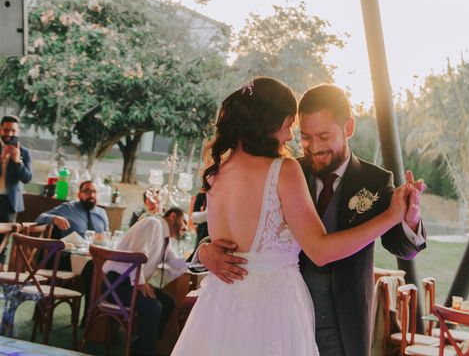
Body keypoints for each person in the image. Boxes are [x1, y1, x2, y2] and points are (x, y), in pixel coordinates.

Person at [173, 78, 421, 356]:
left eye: (324, 136)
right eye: (300, 132)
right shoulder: (286, 169)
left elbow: (402, 247)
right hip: (282, 318)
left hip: (336, 326)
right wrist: (204, 251)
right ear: (270, 122)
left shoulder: (218, 171)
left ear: (348, 127)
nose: (305, 143)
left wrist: (407, 218)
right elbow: (317, 249)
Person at [104, 207, 187, 356]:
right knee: (153, 306)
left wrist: (200, 259)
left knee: (168, 302)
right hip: (115, 283)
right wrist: (140, 283)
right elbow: (137, 254)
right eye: (184, 221)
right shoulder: (153, 224)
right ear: (173, 216)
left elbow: (176, 262)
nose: (186, 227)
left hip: (128, 284)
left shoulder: (165, 238)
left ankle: (141, 348)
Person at [0, 115, 32, 270]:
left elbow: (27, 178)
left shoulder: (24, 153)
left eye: (13, 130)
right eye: (6, 130)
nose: (9, 134)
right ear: (0, 129)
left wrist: (17, 161)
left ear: (18, 131)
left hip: (9, 203)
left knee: (2, 244)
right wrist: (2, 158)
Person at [36, 180, 109, 239]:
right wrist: (54, 218)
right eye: (87, 191)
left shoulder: (101, 213)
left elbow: (106, 236)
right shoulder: (68, 208)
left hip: (96, 254)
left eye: (94, 192)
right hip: (70, 253)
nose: (92, 195)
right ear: (79, 194)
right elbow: (40, 217)